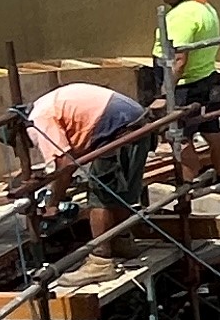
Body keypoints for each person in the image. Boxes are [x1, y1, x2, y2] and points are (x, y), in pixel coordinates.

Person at [24, 80, 149, 240]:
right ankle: (122, 244)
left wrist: (53, 203)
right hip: (135, 118)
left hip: (116, 125)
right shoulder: (43, 105)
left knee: (100, 197)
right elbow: (73, 155)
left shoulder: (39, 120)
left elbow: (65, 164)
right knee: (120, 193)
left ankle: (101, 259)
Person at [148, 0, 220, 189]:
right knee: (212, 131)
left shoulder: (181, 16)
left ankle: (187, 187)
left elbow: (179, 58)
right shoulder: (204, 8)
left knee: (180, 138)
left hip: (184, 86)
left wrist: (166, 93)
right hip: (206, 78)